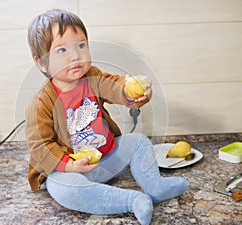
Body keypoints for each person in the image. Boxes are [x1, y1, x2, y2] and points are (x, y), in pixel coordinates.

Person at [25, 9, 188, 225]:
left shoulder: (91, 76)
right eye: (62, 50)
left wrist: (131, 92)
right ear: (41, 62)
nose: (75, 56)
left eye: (81, 45)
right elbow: (40, 147)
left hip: (107, 158)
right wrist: (70, 166)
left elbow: (114, 86)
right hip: (74, 172)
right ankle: (132, 201)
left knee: (138, 142)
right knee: (62, 188)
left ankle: (155, 186)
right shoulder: (42, 103)